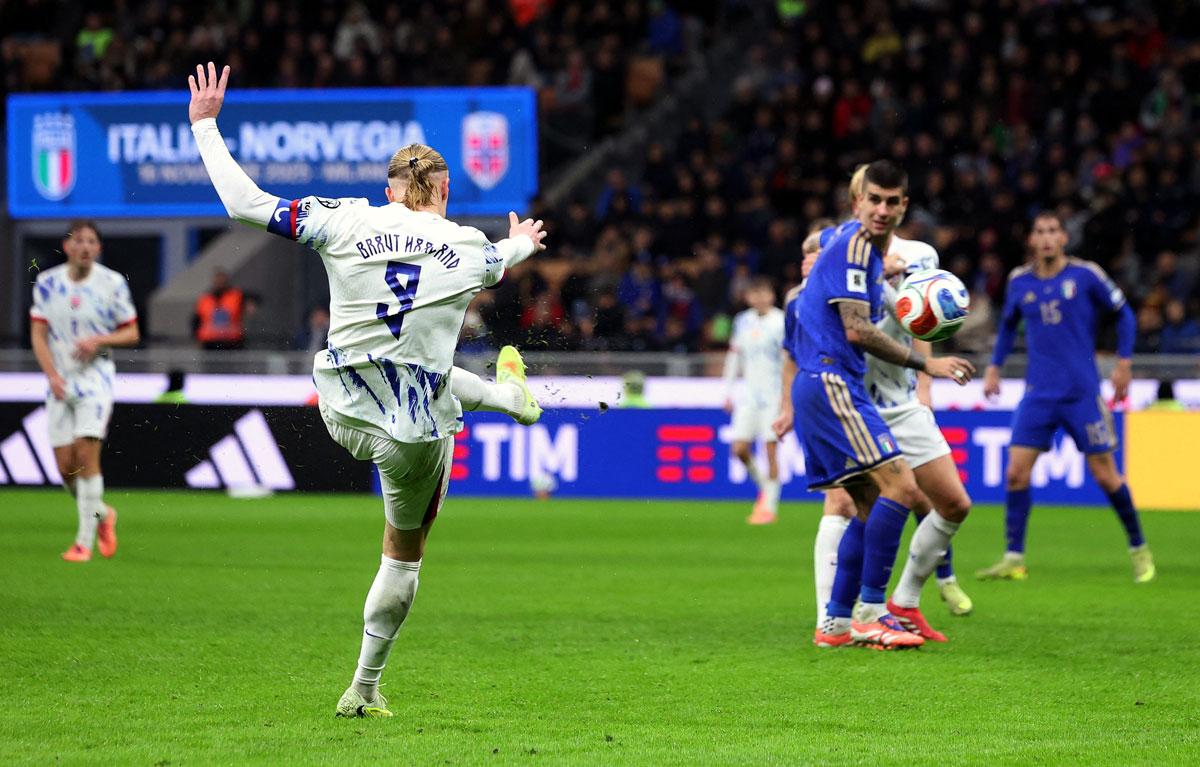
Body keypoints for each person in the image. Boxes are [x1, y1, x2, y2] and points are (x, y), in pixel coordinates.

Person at [188, 62, 547, 718]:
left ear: (388, 190)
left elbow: (244, 205)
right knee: (405, 550)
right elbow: (504, 259)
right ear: (443, 189)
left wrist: (206, 126)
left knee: (421, 376)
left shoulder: (343, 218)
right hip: (412, 431)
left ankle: (507, 397)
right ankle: (363, 685)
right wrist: (522, 239)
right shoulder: (468, 245)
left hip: (340, 406)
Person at [780, 160, 974, 650]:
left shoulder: (861, 248)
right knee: (901, 487)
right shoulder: (854, 248)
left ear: (904, 206)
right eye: (874, 200)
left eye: (891, 202)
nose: (882, 210)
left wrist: (884, 273)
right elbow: (857, 330)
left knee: (869, 505)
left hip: (827, 384)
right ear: (857, 203)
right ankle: (871, 612)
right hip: (833, 381)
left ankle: (835, 624)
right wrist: (926, 365)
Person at [977, 212, 1155, 583]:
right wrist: (994, 367)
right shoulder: (1019, 281)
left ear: (1063, 238)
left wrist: (1124, 363)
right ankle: (1014, 558)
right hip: (1038, 394)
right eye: (1040, 231)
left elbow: (1124, 314)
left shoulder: (1086, 275)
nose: (1046, 237)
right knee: (1015, 473)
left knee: (1105, 476)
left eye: (1053, 231)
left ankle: (1139, 548)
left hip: (1081, 393)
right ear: (1031, 239)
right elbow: (1007, 327)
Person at [30, 220, 140, 562]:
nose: (85, 246)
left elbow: (132, 333)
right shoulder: (47, 283)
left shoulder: (112, 283)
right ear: (67, 246)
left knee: (86, 458)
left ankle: (83, 543)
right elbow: (38, 334)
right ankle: (103, 514)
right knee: (66, 470)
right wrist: (51, 374)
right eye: (78, 240)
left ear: (99, 248)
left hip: (96, 380)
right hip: (59, 381)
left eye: (91, 241)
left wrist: (100, 340)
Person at [722, 276, 786, 524]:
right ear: (748, 297)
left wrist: (787, 397)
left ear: (772, 295)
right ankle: (765, 488)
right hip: (748, 396)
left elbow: (788, 362)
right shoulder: (742, 321)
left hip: (773, 396)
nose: (759, 298)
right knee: (739, 449)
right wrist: (727, 391)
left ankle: (769, 507)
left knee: (770, 449)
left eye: (764, 293)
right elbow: (734, 357)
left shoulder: (781, 321)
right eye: (754, 293)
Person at [193, 268, 246, 350]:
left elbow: (252, 299)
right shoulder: (205, 299)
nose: (220, 283)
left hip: (232, 341)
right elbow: (196, 320)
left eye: (222, 281)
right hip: (209, 341)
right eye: (218, 280)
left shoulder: (236, 296)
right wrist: (196, 337)